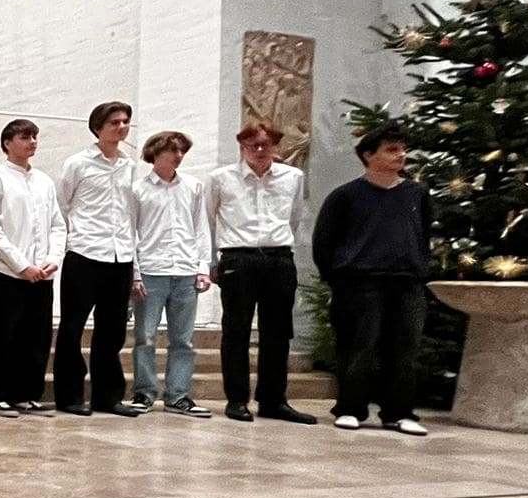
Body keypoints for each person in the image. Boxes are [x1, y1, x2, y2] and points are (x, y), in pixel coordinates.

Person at [313, 124, 434, 435]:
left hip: (407, 282)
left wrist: (419, 268)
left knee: (405, 349)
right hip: (360, 283)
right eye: (391, 150)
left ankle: (399, 413)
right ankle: (350, 408)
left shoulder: (416, 194)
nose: (401, 155)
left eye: (402, 149)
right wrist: (338, 278)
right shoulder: (346, 196)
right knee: (358, 347)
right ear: (369, 155)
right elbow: (324, 242)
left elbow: (424, 235)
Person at [204, 123, 317, 424]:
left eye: (266, 144)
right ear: (241, 146)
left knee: (278, 332)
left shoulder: (293, 177)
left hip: (278, 257)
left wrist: (277, 246)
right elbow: (209, 220)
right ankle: (237, 399)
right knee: (237, 330)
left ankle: (273, 400)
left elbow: (294, 218)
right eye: (252, 144)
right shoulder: (220, 178)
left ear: (276, 146)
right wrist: (211, 261)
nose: (259, 149)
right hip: (238, 257)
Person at [54, 101, 145, 417]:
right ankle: (69, 396)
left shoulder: (129, 165)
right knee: (72, 327)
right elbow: (62, 205)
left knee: (112, 330)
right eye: (115, 122)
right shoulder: (77, 163)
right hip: (85, 253)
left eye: (125, 122)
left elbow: (129, 215)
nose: (122, 127)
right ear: (98, 127)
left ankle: (107, 396)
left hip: (119, 256)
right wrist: (76, 237)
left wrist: (134, 265)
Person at [0, 118, 66, 418]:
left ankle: (25, 394)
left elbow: (56, 224)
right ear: (7, 143)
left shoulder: (44, 181)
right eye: (26, 137)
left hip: (42, 273)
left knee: (35, 337)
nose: (33, 142)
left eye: (35, 137)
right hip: (4, 273)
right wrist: (22, 265)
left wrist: (53, 258)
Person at [129, 131, 214, 417]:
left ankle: (178, 395)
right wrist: (135, 274)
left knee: (183, 340)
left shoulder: (192, 186)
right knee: (146, 338)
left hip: (185, 271)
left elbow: (201, 228)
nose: (178, 156)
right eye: (172, 151)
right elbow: (132, 233)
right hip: (151, 270)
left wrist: (203, 268)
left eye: (182, 151)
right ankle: (144, 392)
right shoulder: (138, 189)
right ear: (156, 152)